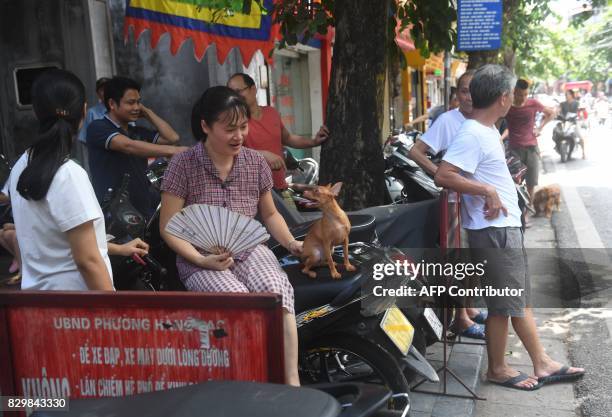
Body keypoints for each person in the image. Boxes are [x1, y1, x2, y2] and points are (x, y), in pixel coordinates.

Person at [435, 64, 584, 391]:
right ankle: (499, 369)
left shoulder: (487, 129)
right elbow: (443, 175)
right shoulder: (473, 132)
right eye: (512, 91)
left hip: (503, 228)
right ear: (503, 97)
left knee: (517, 300)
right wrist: (486, 191)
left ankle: (542, 361)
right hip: (494, 232)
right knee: (503, 304)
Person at [159, 86, 303, 386]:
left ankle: (292, 383)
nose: (239, 136)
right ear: (205, 126)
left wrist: (290, 243)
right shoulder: (183, 165)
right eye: (229, 129)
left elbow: (271, 215)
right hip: (199, 258)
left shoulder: (255, 162)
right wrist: (201, 259)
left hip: (250, 250)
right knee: (238, 301)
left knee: (276, 290)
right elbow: (168, 226)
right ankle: (249, 384)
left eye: (243, 127)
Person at [6, 69, 149, 291]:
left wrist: (119, 249)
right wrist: (112, 314)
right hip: (78, 311)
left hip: (39, 304)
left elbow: (54, 241)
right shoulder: (68, 173)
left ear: (37, 112)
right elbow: (88, 260)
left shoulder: (21, 166)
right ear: (83, 110)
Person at [407, 70, 487, 339]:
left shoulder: (485, 120)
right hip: (454, 204)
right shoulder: (447, 121)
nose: (469, 96)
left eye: (474, 90)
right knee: (459, 261)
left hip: (479, 202)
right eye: (464, 91)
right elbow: (416, 152)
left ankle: (470, 308)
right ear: (456, 94)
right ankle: (460, 319)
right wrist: (439, 174)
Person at [86, 76, 188, 218]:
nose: (136, 107)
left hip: (142, 210)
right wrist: (175, 151)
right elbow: (129, 146)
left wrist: (147, 113)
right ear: (112, 104)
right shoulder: (98, 127)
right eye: (130, 102)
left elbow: (172, 138)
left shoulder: (137, 132)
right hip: (113, 215)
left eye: (138, 102)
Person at [226, 73, 329, 203]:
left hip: (281, 187)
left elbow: (288, 138)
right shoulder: (233, 121)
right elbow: (228, 153)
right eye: (231, 92)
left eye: (238, 91)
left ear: (253, 89)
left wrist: (314, 141)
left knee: (292, 221)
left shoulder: (271, 112)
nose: (235, 96)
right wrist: (262, 155)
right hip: (252, 192)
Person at [504, 79, 556, 222]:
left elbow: (551, 113)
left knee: (531, 183)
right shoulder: (507, 106)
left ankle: (525, 215)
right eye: (520, 95)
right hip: (514, 150)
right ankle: (515, 212)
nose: (523, 98)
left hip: (532, 149)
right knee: (513, 183)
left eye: (526, 95)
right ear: (514, 92)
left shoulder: (533, 103)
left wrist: (540, 127)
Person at [74, 77, 110, 172]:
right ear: (98, 94)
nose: (106, 92)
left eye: (108, 88)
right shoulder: (92, 113)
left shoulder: (121, 109)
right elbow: (84, 138)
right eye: (102, 90)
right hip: (100, 161)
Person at [558, 90, 586, 159]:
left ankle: (583, 153)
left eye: (568, 94)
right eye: (566, 95)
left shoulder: (577, 103)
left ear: (572, 95)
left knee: (581, 137)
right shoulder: (562, 104)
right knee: (557, 132)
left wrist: (582, 118)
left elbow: (581, 111)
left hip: (574, 122)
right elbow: (558, 110)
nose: (566, 96)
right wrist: (556, 113)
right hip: (564, 122)